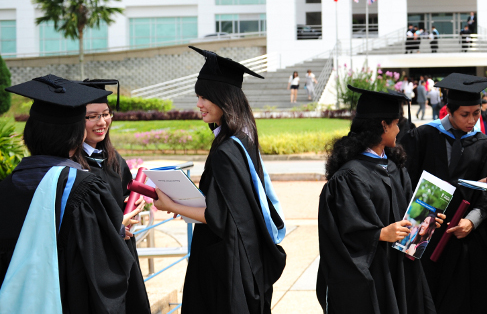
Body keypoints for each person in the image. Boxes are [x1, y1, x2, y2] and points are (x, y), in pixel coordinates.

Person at [152, 46, 287, 313]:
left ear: (223, 99)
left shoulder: (226, 150)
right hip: (246, 257)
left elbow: (218, 216)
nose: (199, 104)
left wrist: (172, 206)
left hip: (225, 265)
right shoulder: (243, 141)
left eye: (204, 97)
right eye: (198, 96)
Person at [0, 75, 150, 313]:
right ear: (77, 135)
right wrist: (115, 228)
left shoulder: (9, 184)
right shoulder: (83, 187)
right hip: (68, 296)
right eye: (88, 119)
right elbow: (97, 265)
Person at [317, 85, 444, 314]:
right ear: (383, 125)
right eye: (396, 123)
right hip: (375, 276)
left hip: (401, 270)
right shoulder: (348, 177)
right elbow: (339, 236)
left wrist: (428, 218)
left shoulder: (394, 167)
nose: (398, 129)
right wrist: (380, 234)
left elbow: (407, 216)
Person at [400, 73, 487, 313]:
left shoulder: (484, 145)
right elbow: (405, 182)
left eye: (476, 113)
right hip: (426, 237)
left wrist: (472, 221)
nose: (472, 121)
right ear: (449, 110)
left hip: (466, 240)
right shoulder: (423, 137)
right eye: (465, 114)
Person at [77, 79, 143, 262]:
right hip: (92, 256)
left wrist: (133, 203)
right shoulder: (71, 165)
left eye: (106, 114)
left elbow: (124, 196)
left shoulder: (114, 159)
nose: (102, 122)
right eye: (92, 116)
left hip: (122, 249)